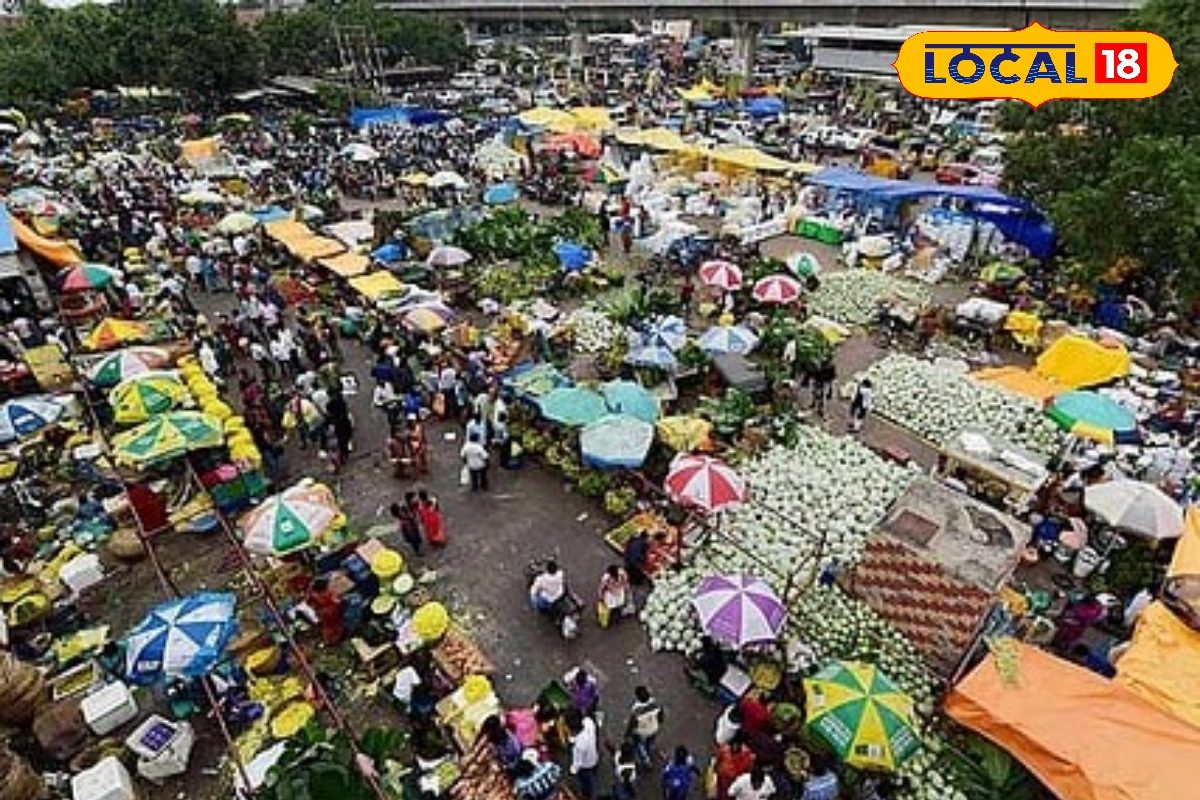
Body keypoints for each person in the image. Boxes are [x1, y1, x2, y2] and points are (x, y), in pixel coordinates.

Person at [566, 708, 600, 800]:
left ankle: (587, 795)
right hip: (594, 756)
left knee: (586, 782)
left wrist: (571, 772)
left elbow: (577, 763)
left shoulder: (578, 746)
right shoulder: (589, 722)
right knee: (593, 772)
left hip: (586, 766)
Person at [628, 685, 663, 766]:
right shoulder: (655, 704)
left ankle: (646, 759)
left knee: (638, 743)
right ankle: (649, 748)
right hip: (654, 728)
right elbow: (661, 717)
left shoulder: (636, 709)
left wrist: (628, 733)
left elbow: (632, 723)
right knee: (650, 741)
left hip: (642, 732)